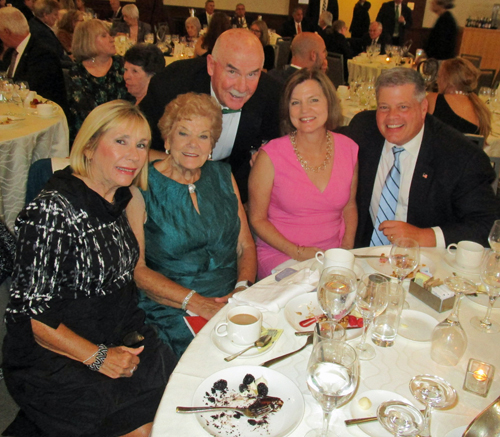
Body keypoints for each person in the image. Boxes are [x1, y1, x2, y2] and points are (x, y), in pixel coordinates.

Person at [2, 100, 177, 437]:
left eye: (141, 145)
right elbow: (32, 316)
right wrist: (99, 358)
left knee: (176, 409)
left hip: (115, 331)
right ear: (92, 144)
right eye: (121, 141)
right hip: (58, 353)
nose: (134, 154)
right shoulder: (53, 211)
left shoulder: (116, 199)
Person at [127, 92, 257, 357]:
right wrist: (198, 303)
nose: (193, 145)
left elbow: (245, 245)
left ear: (212, 144)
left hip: (231, 299)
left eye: (203, 136)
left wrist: (241, 291)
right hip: (173, 306)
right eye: (184, 133)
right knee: (210, 362)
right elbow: (138, 271)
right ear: (167, 138)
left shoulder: (223, 175)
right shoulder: (142, 186)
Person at [341, 68, 500, 248]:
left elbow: (487, 224)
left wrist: (424, 236)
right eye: (384, 107)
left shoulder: (460, 156)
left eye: (403, 107)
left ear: (423, 108)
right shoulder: (363, 129)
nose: (392, 117)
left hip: (427, 265)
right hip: (364, 256)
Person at [140, 28, 280, 202]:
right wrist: (180, 162)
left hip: (232, 193)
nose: (242, 87)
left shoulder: (271, 95)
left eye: (253, 74)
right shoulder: (170, 86)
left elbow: (279, 150)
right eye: (232, 72)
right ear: (211, 65)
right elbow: (135, 145)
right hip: (166, 186)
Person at [249, 68, 358, 279]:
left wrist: (345, 251)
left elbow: (350, 206)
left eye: (314, 100)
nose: (304, 110)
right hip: (281, 255)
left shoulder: (349, 148)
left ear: (329, 102)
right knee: (307, 297)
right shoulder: (270, 156)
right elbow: (257, 219)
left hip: (331, 255)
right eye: (295, 102)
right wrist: (297, 252)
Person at [69, 18, 129, 142]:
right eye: (104, 36)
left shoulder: (122, 65)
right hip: (90, 137)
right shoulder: (77, 72)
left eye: (110, 34)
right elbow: (84, 113)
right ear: (88, 41)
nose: (112, 39)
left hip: (125, 130)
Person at [0, 7, 68, 112]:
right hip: (14, 111)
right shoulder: (10, 53)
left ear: (6, 32)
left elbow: (31, 89)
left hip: (40, 114)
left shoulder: (43, 54)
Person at [426, 57, 491, 138]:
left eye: (439, 76)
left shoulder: (433, 100)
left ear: (448, 80)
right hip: (465, 151)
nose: (437, 81)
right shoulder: (481, 109)